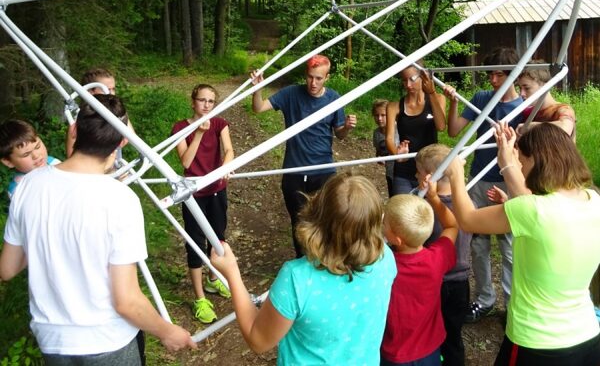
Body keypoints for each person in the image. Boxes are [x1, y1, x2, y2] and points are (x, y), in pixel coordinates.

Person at [0, 94, 196, 363]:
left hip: (52, 341)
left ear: (74, 130)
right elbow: (126, 301)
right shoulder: (120, 199)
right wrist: (167, 332)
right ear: (122, 141)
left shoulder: (26, 187)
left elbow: (7, 269)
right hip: (107, 340)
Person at [446, 122, 600, 365]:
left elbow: (466, 219)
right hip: (587, 335)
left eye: (524, 162)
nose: (522, 168)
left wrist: (455, 175)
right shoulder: (593, 199)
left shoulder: (532, 210)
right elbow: (537, 207)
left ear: (538, 162)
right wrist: (507, 159)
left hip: (537, 341)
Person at [210, 172, 396, 365]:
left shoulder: (297, 279)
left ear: (318, 215)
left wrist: (232, 272)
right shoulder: (385, 257)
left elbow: (257, 340)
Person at [445, 46, 522, 323]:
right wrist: (454, 102)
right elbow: (454, 130)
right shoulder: (481, 98)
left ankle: (512, 306)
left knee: (509, 248)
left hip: (508, 182)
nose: (493, 80)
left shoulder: (525, 106)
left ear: (514, 75)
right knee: (478, 246)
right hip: (478, 179)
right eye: (490, 74)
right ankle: (484, 299)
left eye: (499, 75)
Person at [251, 55, 356, 257]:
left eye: (319, 78)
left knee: (325, 221)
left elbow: (340, 135)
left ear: (327, 77)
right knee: (299, 222)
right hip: (294, 170)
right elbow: (258, 108)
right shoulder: (291, 93)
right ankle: (302, 262)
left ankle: (325, 260)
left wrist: (347, 127)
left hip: (323, 171)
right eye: (310, 77)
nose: (313, 83)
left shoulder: (334, 98)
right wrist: (257, 89)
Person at [172, 83, 234, 325]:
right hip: (193, 194)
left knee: (217, 238)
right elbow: (186, 162)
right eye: (202, 100)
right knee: (196, 243)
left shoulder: (219, 124)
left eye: (211, 101)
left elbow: (228, 150)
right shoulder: (180, 128)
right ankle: (200, 298)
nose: (206, 105)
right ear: (193, 102)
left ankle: (213, 279)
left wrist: (225, 166)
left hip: (217, 190)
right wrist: (198, 133)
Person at [381, 178, 458, 365]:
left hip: (394, 353)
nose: (382, 225)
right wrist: (434, 198)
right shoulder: (437, 258)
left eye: (384, 224)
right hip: (430, 350)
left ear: (397, 239)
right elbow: (452, 225)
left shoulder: (382, 265)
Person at [416, 144, 472, 366]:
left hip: (434, 282)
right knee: (453, 336)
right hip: (460, 283)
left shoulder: (425, 210)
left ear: (429, 177)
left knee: (431, 333)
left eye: (418, 172)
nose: (415, 176)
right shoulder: (468, 204)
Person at [385, 63, 446, 195]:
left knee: (428, 207)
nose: (408, 85)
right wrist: (397, 155)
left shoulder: (438, 98)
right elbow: (389, 139)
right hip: (404, 170)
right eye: (404, 80)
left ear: (423, 77)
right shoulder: (394, 107)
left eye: (412, 79)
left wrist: (431, 93)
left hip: (429, 169)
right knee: (403, 207)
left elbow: (441, 126)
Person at [65, 67, 131, 159]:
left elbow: (129, 137)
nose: (111, 94)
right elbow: (71, 158)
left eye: (113, 89)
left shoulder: (116, 111)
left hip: (115, 163)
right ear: (90, 91)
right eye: (106, 89)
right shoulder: (80, 120)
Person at [0, 120, 60, 200]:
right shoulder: (19, 190)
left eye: (37, 147)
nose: (36, 156)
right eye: (26, 154)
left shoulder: (53, 162)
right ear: (8, 162)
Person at [516, 60, 576, 139]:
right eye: (520, 88)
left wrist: (529, 126)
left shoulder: (563, 109)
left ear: (545, 86)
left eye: (527, 88)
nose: (521, 94)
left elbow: (565, 128)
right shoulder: (530, 113)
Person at [371, 99, 396, 197]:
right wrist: (379, 158)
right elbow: (379, 152)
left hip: (404, 173)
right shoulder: (376, 133)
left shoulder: (400, 129)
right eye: (376, 115)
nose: (380, 118)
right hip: (390, 172)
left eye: (383, 115)